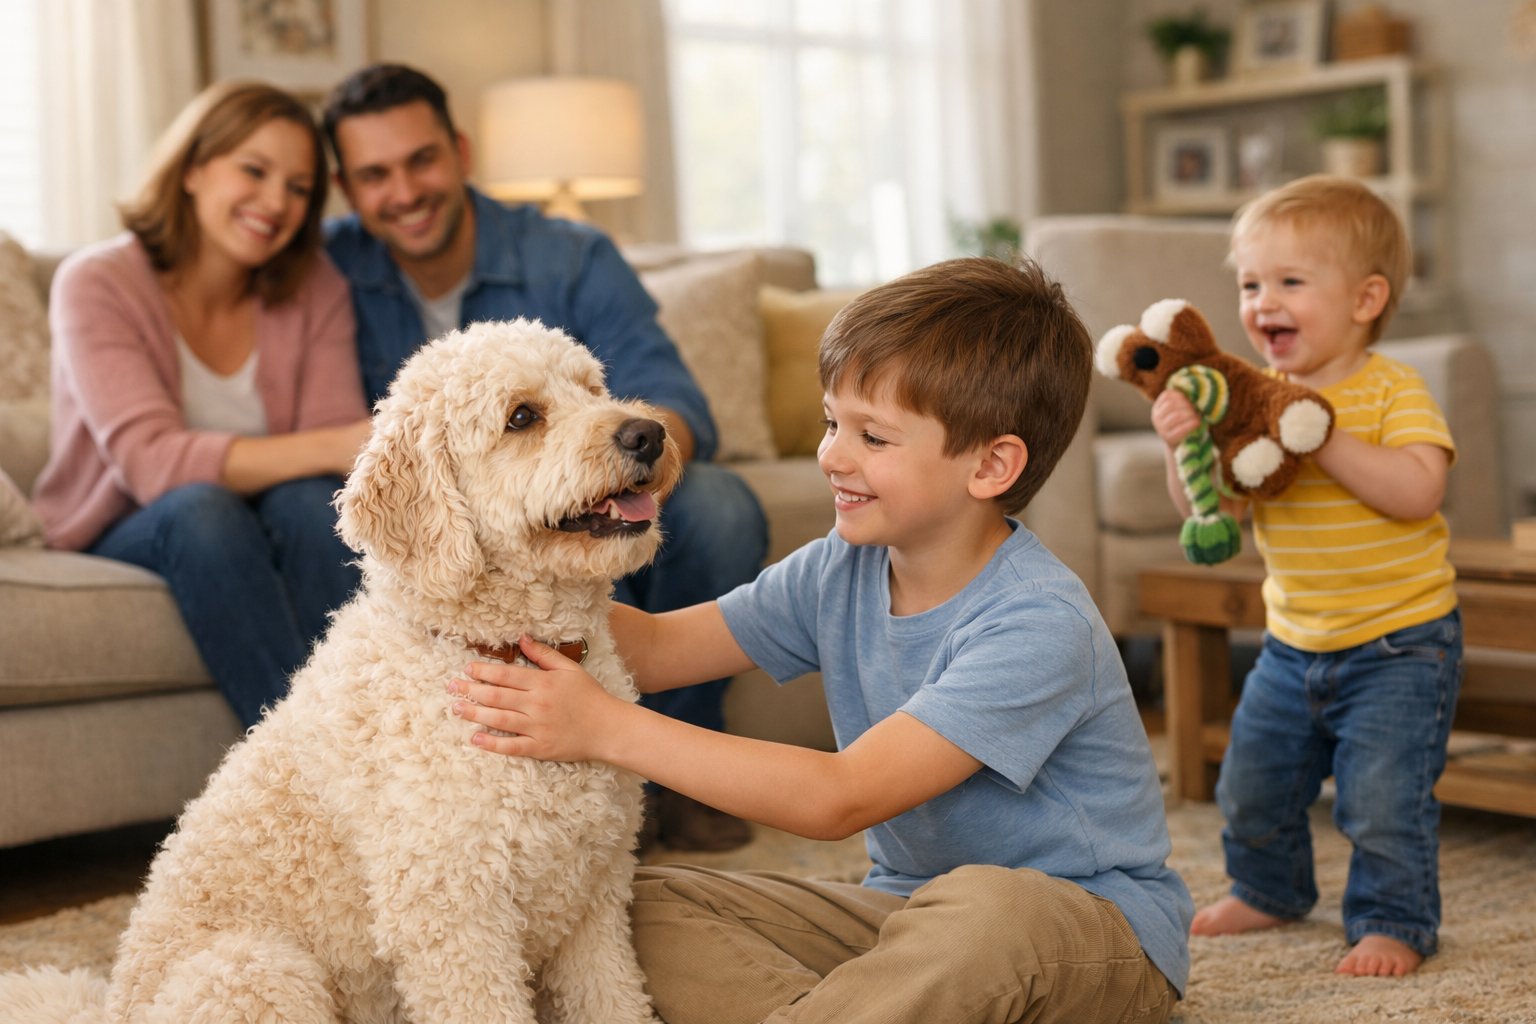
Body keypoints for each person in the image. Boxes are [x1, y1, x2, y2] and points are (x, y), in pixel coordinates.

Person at [448, 256, 1193, 1024]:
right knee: (629, 903)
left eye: (873, 436)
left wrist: (604, 727)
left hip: (1087, 931)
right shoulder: (842, 566)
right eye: (834, 422)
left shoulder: (1038, 622)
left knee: (991, 906)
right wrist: (496, 589)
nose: (832, 455)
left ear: (991, 465)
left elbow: (840, 799)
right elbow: (662, 649)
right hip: (902, 925)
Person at [320, 63, 767, 851]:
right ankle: (417, 781)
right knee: (303, 518)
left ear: (460, 152)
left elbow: (670, 400)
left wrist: (623, 466)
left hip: (589, 483)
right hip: (435, 514)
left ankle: (673, 769)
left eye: (421, 159)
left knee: (721, 505)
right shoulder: (324, 272)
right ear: (348, 188)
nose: (405, 190)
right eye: (375, 174)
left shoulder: (572, 255)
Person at [1150, 175, 1462, 977]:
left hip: (1401, 644)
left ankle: (1393, 920)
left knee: (1382, 802)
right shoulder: (1251, 402)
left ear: (1365, 299)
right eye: (1251, 284)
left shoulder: (1393, 388)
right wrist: (1180, 445)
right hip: (1292, 643)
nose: (1263, 302)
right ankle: (1270, 887)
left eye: (1291, 282)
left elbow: (1419, 490)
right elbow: (1213, 504)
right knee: (1251, 783)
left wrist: (1321, 437)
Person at [31, 81, 372, 730]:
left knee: (310, 505)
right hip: (126, 523)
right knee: (200, 508)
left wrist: (332, 448)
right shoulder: (96, 283)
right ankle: (308, 771)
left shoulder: (315, 289)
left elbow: (333, 463)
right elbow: (151, 465)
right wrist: (334, 444)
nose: (276, 202)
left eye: (299, 188)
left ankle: (378, 745)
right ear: (192, 168)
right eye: (254, 170)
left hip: (262, 515)